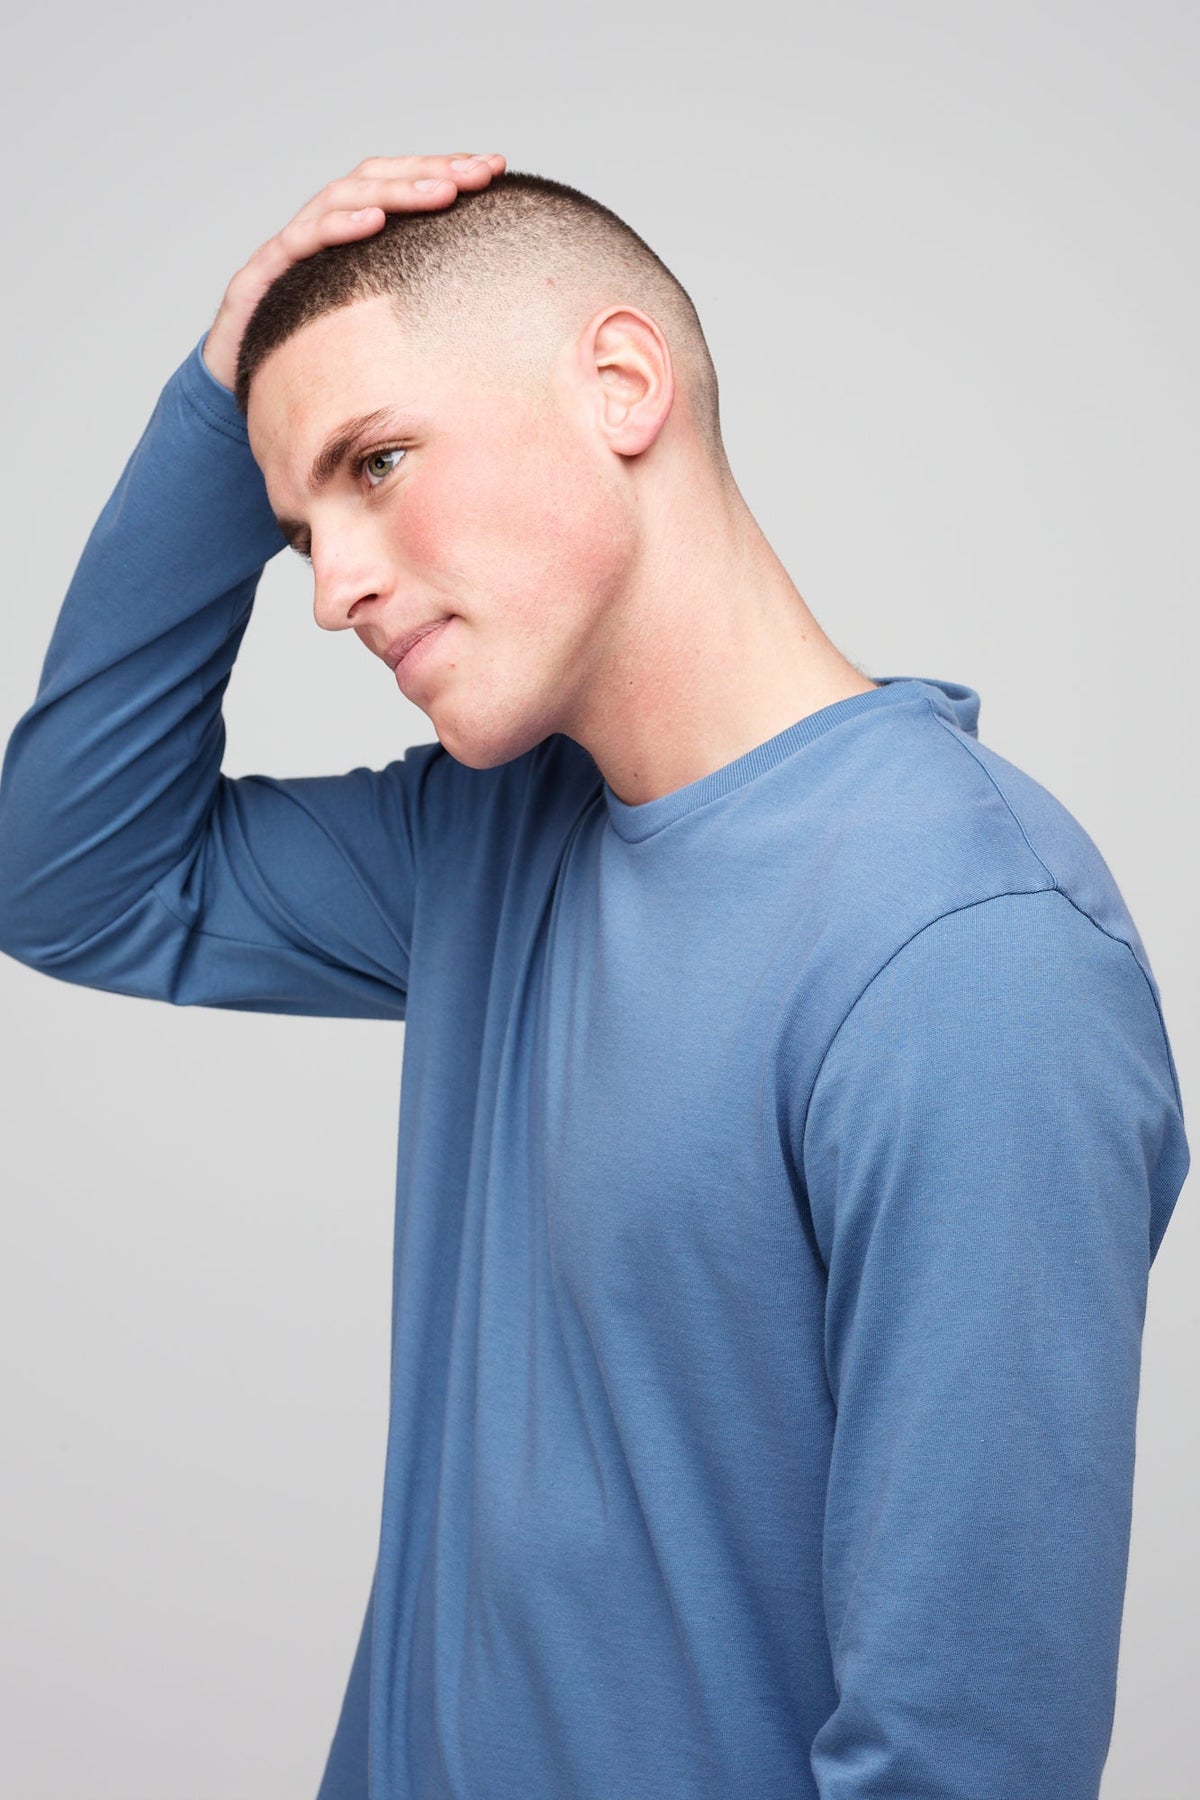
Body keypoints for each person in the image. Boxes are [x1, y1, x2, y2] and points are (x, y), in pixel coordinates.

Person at [0, 152, 1188, 1800]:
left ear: (621, 386)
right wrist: (224, 410)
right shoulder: (488, 845)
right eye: (300, 529)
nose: (333, 589)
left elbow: (959, 1759)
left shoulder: (970, 960)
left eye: (379, 461)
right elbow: (74, 877)